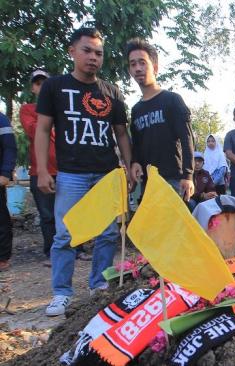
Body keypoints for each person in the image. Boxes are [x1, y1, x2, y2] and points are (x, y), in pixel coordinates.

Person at [35, 27, 133, 316]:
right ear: (72, 51)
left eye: (98, 53)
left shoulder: (111, 93)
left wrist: (128, 167)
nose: (93, 57)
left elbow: (122, 135)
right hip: (70, 174)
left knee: (106, 234)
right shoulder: (55, 88)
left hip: (106, 173)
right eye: (87, 50)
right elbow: (42, 129)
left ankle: (98, 286)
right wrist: (43, 170)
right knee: (66, 234)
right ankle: (61, 293)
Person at [126, 38, 195, 201]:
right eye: (133, 64)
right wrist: (135, 162)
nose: (138, 68)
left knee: (173, 227)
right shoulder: (136, 110)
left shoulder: (172, 100)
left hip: (172, 181)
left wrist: (188, 175)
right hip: (147, 183)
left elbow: (187, 138)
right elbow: (136, 145)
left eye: (142, 63)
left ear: (155, 67)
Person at [19, 70, 58, 266]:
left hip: (66, 171)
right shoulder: (27, 109)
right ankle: (52, 252)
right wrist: (48, 121)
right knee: (48, 215)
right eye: (37, 83)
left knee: (70, 213)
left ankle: (77, 249)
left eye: (45, 82)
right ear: (33, 88)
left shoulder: (61, 108)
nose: (41, 86)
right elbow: (35, 131)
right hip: (40, 171)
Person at [0, 111, 17, 272]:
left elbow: (10, 147)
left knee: (1, 218)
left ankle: (2, 257)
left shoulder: (1, 119)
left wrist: (5, 172)